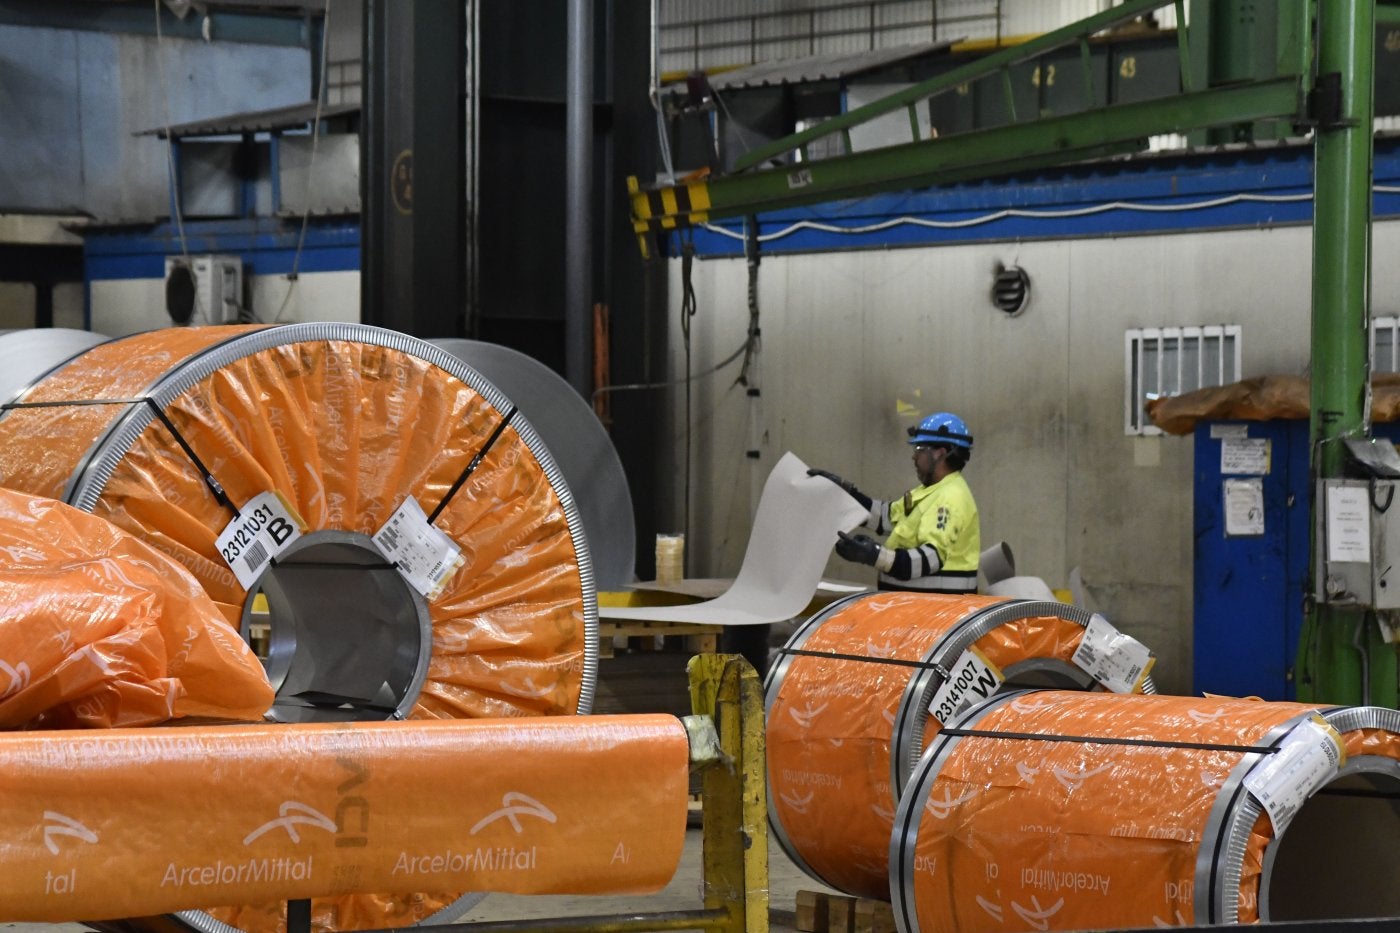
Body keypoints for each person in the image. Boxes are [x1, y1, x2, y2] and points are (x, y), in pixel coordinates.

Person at [810, 411, 980, 594]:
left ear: (940, 453)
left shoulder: (949, 498)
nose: (914, 457)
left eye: (919, 449)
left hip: (936, 613)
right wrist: (844, 493)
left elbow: (929, 559)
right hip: (923, 610)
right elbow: (886, 517)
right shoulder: (930, 491)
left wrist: (873, 555)